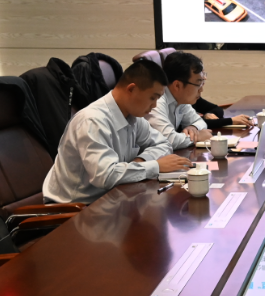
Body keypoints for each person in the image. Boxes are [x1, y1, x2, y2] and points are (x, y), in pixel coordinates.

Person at [42, 59, 191, 205]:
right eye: (153, 98)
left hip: (111, 197)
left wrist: (141, 161)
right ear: (131, 89)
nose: (154, 105)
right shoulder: (93, 120)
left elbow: (164, 144)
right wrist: (155, 166)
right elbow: (105, 176)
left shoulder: (133, 116)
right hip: (74, 207)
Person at [147, 51, 224, 150]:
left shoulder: (180, 99)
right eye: (198, 84)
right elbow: (169, 140)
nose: (201, 89)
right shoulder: (157, 102)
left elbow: (199, 121)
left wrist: (193, 127)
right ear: (177, 85)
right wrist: (197, 137)